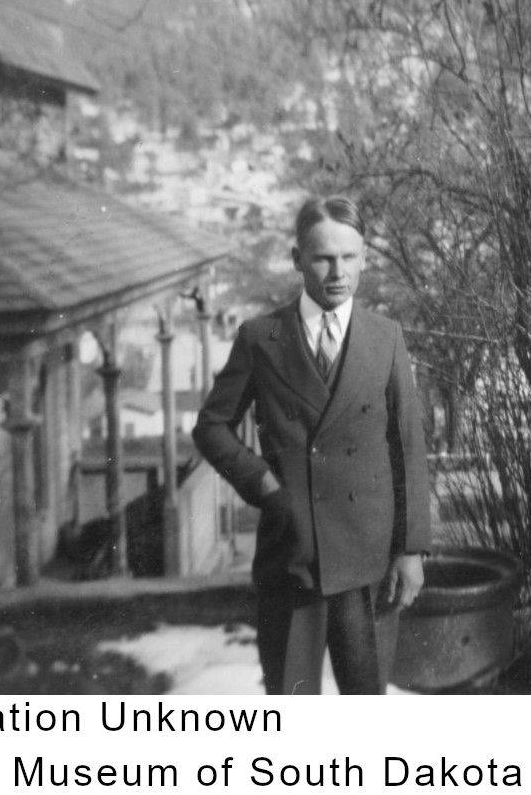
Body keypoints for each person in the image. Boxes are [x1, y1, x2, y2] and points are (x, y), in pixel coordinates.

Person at [192, 196, 430, 694]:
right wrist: (265, 485)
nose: (337, 271)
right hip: (292, 556)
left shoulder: (385, 338)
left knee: (365, 704)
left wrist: (411, 550)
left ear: (364, 258)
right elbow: (212, 427)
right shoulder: (261, 338)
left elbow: (407, 445)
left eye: (349, 257)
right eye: (323, 257)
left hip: (369, 561)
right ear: (298, 258)